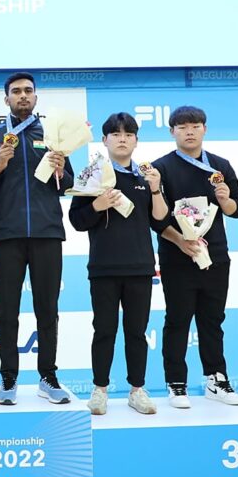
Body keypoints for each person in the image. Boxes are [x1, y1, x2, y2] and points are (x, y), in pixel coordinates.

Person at [0, 72, 74, 405]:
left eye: (28, 91)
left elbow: (69, 184)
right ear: (6, 99)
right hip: (7, 234)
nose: (22, 96)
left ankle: (48, 377)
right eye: (16, 91)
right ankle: (8, 379)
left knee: (47, 309)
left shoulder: (53, 135)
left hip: (47, 233)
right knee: (7, 310)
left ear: (35, 97)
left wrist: (61, 170)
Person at [69, 113, 168, 415]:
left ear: (136, 140)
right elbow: (77, 221)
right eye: (115, 134)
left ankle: (137, 390)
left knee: (137, 332)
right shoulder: (92, 174)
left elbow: (160, 220)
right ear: (104, 140)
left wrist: (155, 189)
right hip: (104, 267)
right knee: (104, 330)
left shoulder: (147, 176)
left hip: (140, 267)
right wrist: (97, 205)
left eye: (128, 134)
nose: (122, 139)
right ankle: (99, 390)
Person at [153, 106, 238, 408]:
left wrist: (225, 200)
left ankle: (216, 379)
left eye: (194, 126)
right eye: (182, 127)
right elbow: (155, 218)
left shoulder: (219, 166)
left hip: (215, 255)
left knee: (212, 320)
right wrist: (180, 241)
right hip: (177, 256)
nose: (189, 132)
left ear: (204, 129)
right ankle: (176, 383)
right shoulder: (161, 168)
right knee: (177, 320)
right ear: (172, 132)